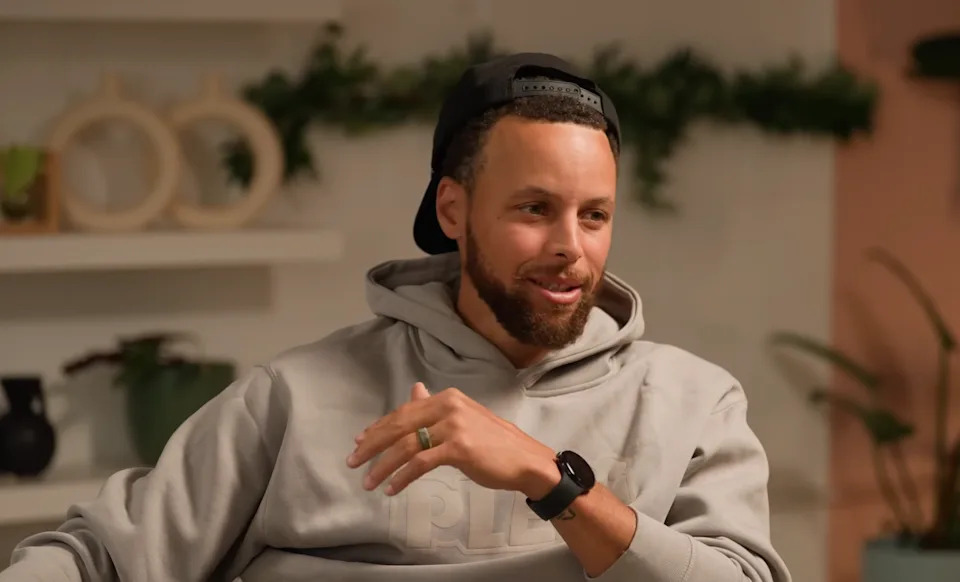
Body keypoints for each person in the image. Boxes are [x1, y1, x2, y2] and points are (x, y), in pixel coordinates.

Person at [1, 53, 792, 582]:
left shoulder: (693, 400)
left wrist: (548, 479)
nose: (570, 248)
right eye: (534, 209)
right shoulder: (298, 394)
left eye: (594, 215)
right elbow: (97, 558)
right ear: (454, 208)